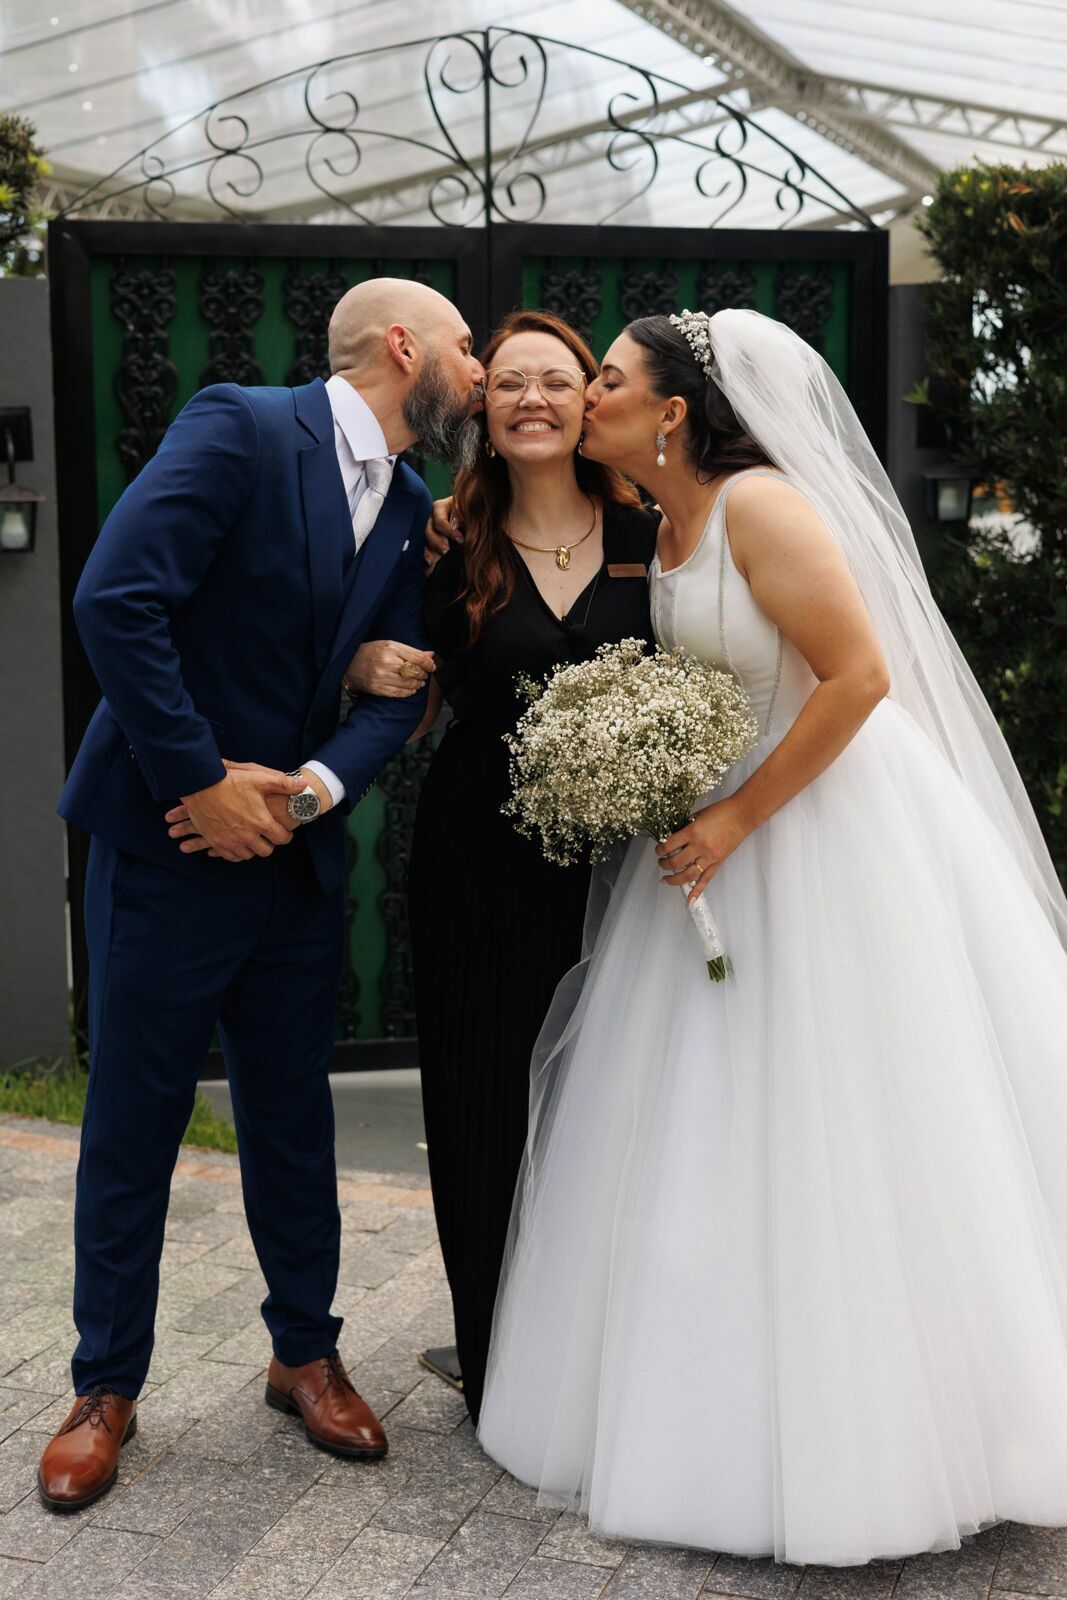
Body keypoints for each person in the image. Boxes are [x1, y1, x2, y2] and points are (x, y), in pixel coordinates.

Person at [476, 308, 1067, 1566]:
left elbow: (857, 677)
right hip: (711, 836)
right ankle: (699, 1410)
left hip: (820, 825)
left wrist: (738, 811)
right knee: (696, 1117)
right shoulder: (667, 518)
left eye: (609, 382)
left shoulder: (760, 507)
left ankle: (885, 1436)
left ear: (672, 411)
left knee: (843, 1116)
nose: (587, 397)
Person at [40, 279, 485, 1513]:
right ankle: (103, 1385)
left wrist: (302, 797)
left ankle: (304, 1355)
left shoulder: (406, 507)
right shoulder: (240, 424)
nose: (481, 367)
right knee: (134, 1122)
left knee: (294, 1124)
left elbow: (402, 690)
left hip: (294, 868)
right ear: (404, 347)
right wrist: (202, 778)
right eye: (465, 345)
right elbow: (115, 601)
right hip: (164, 844)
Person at [345, 310, 658, 1424]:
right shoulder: (440, 540)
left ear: (589, 402)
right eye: (509, 381)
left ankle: (611, 1357)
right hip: (478, 851)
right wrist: (363, 667)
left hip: (627, 872)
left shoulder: (655, 537)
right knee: (483, 1104)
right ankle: (497, 1364)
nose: (532, 397)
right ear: (480, 406)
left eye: (556, 381)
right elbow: (406, 688)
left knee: (614, 1103)